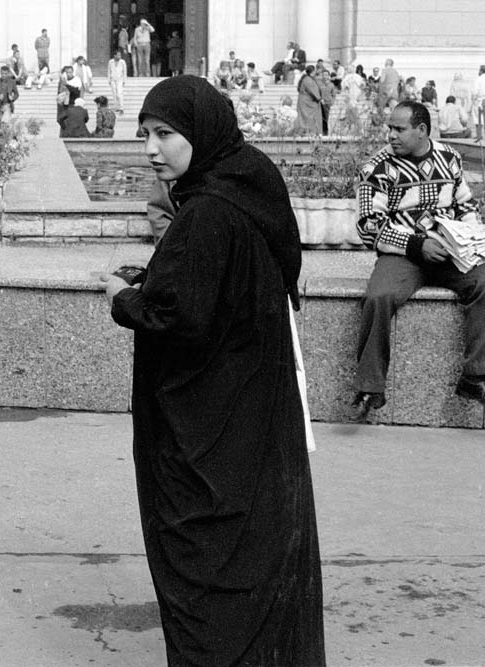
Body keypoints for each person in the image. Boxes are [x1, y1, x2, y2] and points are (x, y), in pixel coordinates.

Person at [102, 75, 325, 663]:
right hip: (259, 407)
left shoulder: (204, 212)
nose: (151, 148)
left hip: (210, 428)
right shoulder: (248, 178)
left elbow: (174, 316)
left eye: (166, 134)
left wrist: (122, 297)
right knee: (262, 547)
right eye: (145, 133)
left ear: (198, 132)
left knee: (207, 559)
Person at [352, 101, 485, 417]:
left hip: (451, 252)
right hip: (404, 256)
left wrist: (471, 238)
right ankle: (370, 386)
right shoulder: (377, 168)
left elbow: (465, 205)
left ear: (422, 130)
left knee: (484, 282)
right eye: (390, 129)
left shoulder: (449, 158)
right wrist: (415, 245)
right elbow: (369, 226)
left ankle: (475, 376)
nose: (391, 136)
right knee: (379, 296)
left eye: (399, 129)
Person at [295, 65, 323, 135]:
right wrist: (319, 99)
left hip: (305, 101)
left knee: (305, 117)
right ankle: (310, 132)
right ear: (313, 71)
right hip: (307, 102)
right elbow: (313, 91)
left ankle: (307, 132)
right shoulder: (308, 80)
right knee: (309, 117)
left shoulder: (307, 79)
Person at [108, 49, 127, 114]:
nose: (119, 56)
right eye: (118, 55)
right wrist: (109, 79)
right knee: (114, 93)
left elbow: (124, 71)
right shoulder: (111, 62)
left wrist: (124, 80)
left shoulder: (122, 62)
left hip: (120, 79)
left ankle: (121, 107)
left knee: (119, 93)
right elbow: (109, 71)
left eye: (120, 55)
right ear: (114, 55)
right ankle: (116, 107)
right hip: (113, 79)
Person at [317, 68, 336, 134]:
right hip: (321, 103)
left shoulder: (331, 85)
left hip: (328, 104)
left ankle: (326, 132)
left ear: (328, 76)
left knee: (326, 118)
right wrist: (320, 99)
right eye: (323, 75)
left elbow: (334, 95)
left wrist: (332, 102)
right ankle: (322, 132)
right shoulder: (319, 84)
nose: (324, 76)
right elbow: (317, 93)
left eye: (326, 75)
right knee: (321, 118)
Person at [472, 65, 485, 140]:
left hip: (480, 101)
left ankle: (479, 135)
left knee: (478, 119)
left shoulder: (478, 79)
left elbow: (475, 92)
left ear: (481, 71)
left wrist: (473, 101)